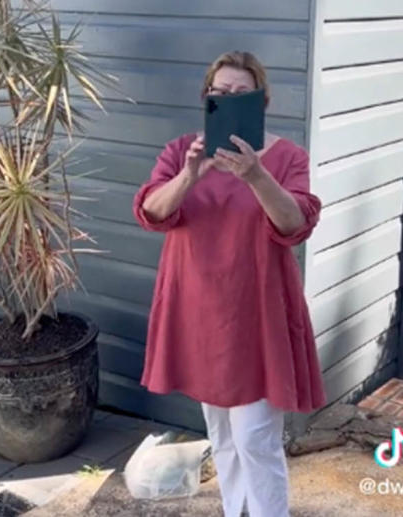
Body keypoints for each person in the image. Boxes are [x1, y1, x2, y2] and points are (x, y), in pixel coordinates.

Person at [132, 50, 327, 517]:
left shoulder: (286, 159)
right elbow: (152, 212)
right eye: (220, 92)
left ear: (261, 102)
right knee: (219, 434)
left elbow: (295, 223)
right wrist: (189, 174)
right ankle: (234, 510)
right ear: (206, 97)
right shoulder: (183, 151)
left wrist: (256, 177)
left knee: (255, 438)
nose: (228, 98)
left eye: (240, 93)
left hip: (258, 314)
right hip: (197, 312)